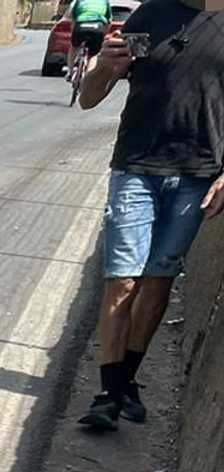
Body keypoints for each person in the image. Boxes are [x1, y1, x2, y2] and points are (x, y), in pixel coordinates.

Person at [75, 0, 224, 431]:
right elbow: (89, 98)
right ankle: (107, 393)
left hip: (198, 173)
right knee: (123, 278)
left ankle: (126, 382)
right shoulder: (149, 18)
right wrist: (103, 67)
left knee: (158, 280)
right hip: (136, 167)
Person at [70, 0, 113, 69]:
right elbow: (109, 21)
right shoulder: (105, 1)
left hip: (81, 25)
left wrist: (73, 32)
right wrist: (104, 34)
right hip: (97, 27)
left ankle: (70, 71)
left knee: (73, 47)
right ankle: (90, 72)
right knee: (94, 55)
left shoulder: (79, 1)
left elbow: (73, 18)